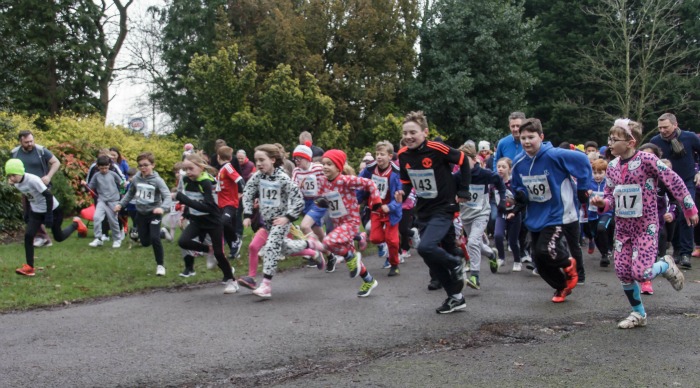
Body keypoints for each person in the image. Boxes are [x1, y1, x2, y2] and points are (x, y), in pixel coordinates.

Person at [590, 120, 697, 329]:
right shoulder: (611, 166)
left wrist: (689, 207)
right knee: (622, 271)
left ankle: (666, 264)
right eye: (609, 139)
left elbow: (673, 180)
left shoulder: (647, 159)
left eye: (615, 139)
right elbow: (611, 196)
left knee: (642, 272)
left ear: (631, 142)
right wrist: (603, 202)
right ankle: (638, 313)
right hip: (623, 228)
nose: (610, 143)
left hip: (646, 225)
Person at [395, 111, 471, 314]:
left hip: (444, 207)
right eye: (405, 133)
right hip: (424, 210)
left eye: (413, 132)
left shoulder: (436, 148)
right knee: (432, 256)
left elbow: (464, 160)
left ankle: (456, 262)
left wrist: (464, 190)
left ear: (425, 132)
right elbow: (406, 180)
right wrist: (403, 191)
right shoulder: (403, 155)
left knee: (426, 247)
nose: (408, 136)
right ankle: (455, 297)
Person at [509, 118, 591, 303]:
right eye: (523, 138)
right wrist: (520, 195)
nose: (527, 141)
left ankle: (568, 263)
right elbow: (517, 185)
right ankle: (561, 286)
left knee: (545, 250)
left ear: (541, 136)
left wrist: (582, 188)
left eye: (531, 137)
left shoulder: (554, 155)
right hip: (536, 215)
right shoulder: (518, 161)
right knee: (538, 259)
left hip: (558, 213)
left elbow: (583, 160)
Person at [242, 144, 325, 298]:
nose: (258, 163)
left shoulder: (283, 178)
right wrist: (247, 214)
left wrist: (287, 217)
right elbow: (247, 193)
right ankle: (310, 244)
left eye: (262, 160)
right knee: (285, 249)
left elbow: (298, 200)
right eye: (256, 160)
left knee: (271, 247)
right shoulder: (257, 177)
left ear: (273, 160)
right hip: (266, 222)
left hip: (281, 222)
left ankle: (266, 285)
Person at [306, 149, 383, 297]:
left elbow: (371, 184)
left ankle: (356, 243)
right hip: (338, 223)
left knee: (328, 242)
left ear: (338, 167)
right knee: (350, 258)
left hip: (350, 222)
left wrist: (377, 202)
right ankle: (369, 280)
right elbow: (324, 198)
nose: (325, 167)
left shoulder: (346, 180)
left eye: (329, 164)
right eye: (323, 164)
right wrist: (322, 202)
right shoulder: (322, 181)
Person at [5, 159, 87, 276]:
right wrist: (27, 213)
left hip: (53, 209)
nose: (11, 178)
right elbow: (27, 196)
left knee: (58, 237)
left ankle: (76, 224)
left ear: (20, 172)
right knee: (28, 236)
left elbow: (48, 196)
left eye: (13, 175)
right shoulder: (17, 183)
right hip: (36, 211)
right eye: (9, 175)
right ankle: (29, 267)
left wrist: (49, 215)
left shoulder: (33, 180)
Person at [175, 153, 239, 293]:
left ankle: (231, 281)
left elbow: (209, 207)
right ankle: (207, 249)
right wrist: (184, 214)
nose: (188, 172)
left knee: (219, 254)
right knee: (183, 241)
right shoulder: (186, 180)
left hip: (212, 221)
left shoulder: (206, 182)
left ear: (201, 167)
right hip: (197, 220)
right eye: (185, 169)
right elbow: (191, 200)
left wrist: (184, 199)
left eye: (191, 168)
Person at [650, 113, 700, 269]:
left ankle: (686, 252)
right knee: (672, 216)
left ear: (675, 125)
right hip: (666, 183)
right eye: (660, 128)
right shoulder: (655, 142)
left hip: (687, 181)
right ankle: (677, 250)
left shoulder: (690, 137)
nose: (662, 131)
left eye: (665, 127)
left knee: (686, 214)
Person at [114, 152, 173, 276]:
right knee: (145, 242)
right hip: (140, 213)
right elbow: (130, 193)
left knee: (154, 239)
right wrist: (121, 204)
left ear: (153, 165)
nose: (143, 168)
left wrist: (162, 208)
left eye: (146, 165)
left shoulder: (158, 180)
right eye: (140, 165)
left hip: (154, 213)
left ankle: (160, 266)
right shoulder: (136, 178)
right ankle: (162, 232)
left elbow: (167, 196)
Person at [458, 141, 504, 290]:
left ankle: (475, 277)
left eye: (466, 161)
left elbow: (499, 182)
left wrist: (502, 199)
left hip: (481, 213)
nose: (463, 165)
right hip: (466, 215)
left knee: (471, 242)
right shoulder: (458, 175)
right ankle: (491, 254)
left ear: (474, 159)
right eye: (460, 162)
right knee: (475, 243)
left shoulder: (484, 174)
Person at [358, 141, 403, 276]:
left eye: (382, 154)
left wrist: (390, 207)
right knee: (375, 238)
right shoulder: (370, 169)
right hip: (376, 209)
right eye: (377, 154)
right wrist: (356, 201)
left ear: (390, 156)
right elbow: (360, 184)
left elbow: (400, 195)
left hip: (391, 211)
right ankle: (387, 244)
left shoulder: (396, 172)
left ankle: (394, 264)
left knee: (392, 240)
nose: (378, 157)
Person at [11, 130, 61, 247]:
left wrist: (48, 176)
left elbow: (56, 162)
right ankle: (42, 237)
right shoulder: (15, 153)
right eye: (26, 142)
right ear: (20, 141)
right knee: (29, 214)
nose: (30, 144)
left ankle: (44, 236)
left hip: (41, 188)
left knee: (41, 213)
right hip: (26, 188)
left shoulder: (40, 150)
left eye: (31, 141)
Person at [81, 155, 125, 248]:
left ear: (109, 165)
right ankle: (98, 238)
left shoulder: (113, 174)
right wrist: (85, 185)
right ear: (97, 166)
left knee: (113, 221)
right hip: (101, 201)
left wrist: (122, 195)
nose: (104, 170)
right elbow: (91, 186)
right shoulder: (96, 175)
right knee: (96, 218)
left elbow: (121, 184)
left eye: (106, 167)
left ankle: (117, 239)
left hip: (113, 201)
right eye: (102, 168)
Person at [493, 157, 524, 272]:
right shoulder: (494, 182)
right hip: (501, 213)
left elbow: (520, 200)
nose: (500, 169)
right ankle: (501, 257)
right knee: (497, 235)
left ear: (510, 169)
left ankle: (517, 260)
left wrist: (514, 205)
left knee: (512, 241)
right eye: (498, 167)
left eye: (503, 167)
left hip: (514, 214)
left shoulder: (514, 183)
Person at [583, 158, 614, 268]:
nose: (597, 176)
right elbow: (581, 197)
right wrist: (586, 194)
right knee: (595, 234)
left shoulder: (609, 183)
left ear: (606, 172)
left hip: (606, 213)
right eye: (595, 173)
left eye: (600, 173)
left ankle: (605, 254)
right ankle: (604, 252)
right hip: (592, 214)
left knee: (602, 229)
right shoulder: (588, 183)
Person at [217, 146, 246, 259]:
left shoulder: (228, 167)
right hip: (221, 203)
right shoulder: (221, 169)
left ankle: (236, 241)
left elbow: (239, 180)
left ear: (218, 157)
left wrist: (242, 192)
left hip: (230, 203)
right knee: (227, 226)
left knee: (223, 222)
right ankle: (234, 250)